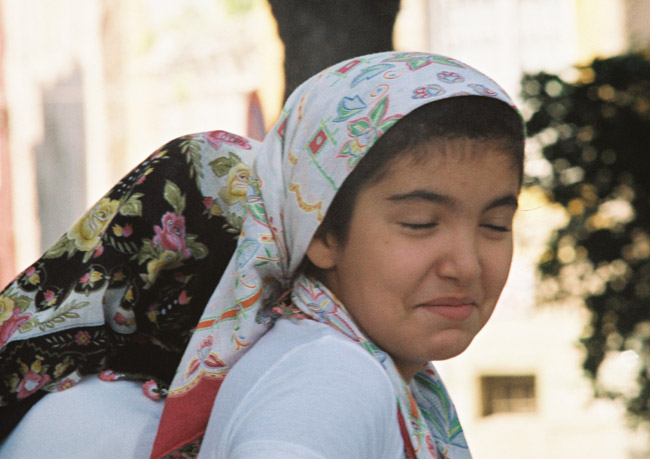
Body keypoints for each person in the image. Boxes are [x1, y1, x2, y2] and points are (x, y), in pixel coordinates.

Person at [0, 51, 524, 458]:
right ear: (319, 230)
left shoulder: (347, 366)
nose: (466, 264)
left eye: (496, 225)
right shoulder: (333, 378)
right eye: (420, 224)